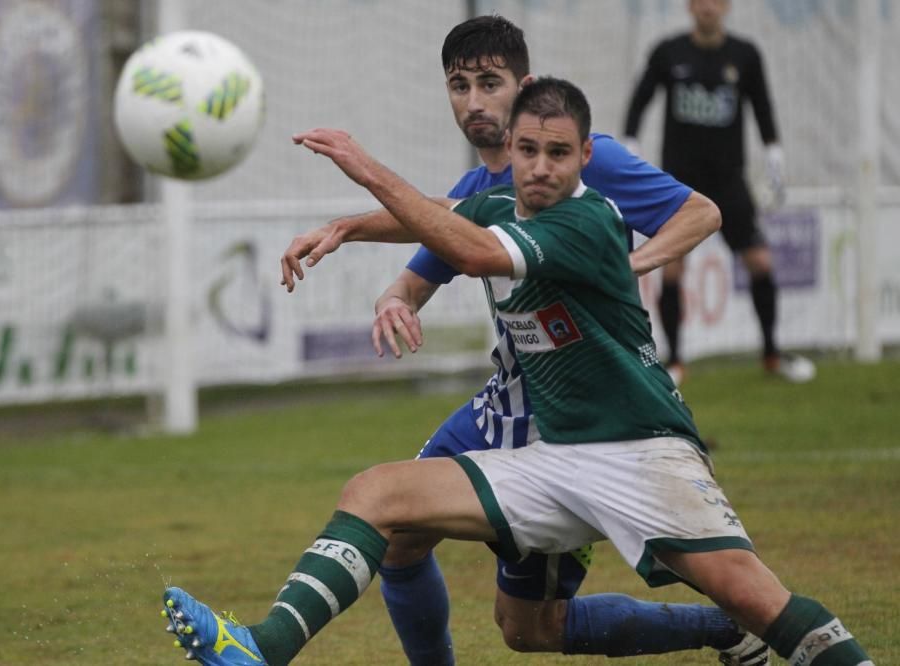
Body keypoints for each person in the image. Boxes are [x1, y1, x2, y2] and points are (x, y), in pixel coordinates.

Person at [161, 77, 874, 666]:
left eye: (557, 153)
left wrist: (363, 163)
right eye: (528, 150)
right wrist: (344, 228)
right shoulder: (501, 200)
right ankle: (259, 648)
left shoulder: (588, 222)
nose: (539, 166)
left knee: (752, 597)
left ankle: (760, 636)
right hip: (552, 455)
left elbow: (469, 251)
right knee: (376, 496)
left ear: (585, 156)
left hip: (641, 451)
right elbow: (442, 215)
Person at [280, 15, 765, 665]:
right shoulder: (474, 189)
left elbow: (702, 211)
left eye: (490, 82)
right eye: (459, 85)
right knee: (396, 533)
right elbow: (424, 261)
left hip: (574, 422)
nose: (474, 102)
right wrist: (392, 300)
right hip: (501, 403)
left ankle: (729, 626)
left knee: (530, 628)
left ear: (526, 87)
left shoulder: (588, 160)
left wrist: (637, 263)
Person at [622, 0, 815, 385]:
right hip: (679, 182)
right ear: (689, 7)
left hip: (729, 180)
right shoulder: (668, 52)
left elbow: (762, 107)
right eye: (699, 0)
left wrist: (774, 151)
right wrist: (630, 142)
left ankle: (772, 354)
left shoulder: (745, 55)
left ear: (726, 6)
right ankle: (675, 361)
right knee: (672, 268)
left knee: (760, 262)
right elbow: (640, 100)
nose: (707, 7)